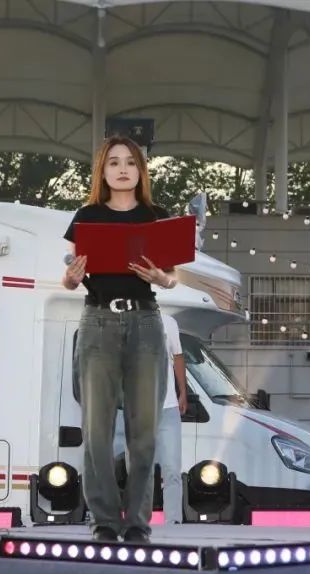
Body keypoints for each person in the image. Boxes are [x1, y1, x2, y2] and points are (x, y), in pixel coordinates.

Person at [62, 136, 178, 544]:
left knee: (143, 430)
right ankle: (105, 521)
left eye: (130, 162)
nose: (123, 169)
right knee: (96, 429)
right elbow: (70, 275)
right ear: (103, 171)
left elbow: (172, 276)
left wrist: (162, 278)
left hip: (146, 322)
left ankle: (138, 523)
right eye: (114, 162)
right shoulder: (87, 216)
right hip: (98, 321)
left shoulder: (156, 217)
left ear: (141, 171)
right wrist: (71, 277)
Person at [155, 312, 187, 524]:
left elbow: (178, 356)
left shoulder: (168, 322)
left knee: (172, 470)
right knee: (139, 472)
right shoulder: (127, 320)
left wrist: (183, 391)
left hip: (168, 408)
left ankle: (173, 522)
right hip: (138, 409)